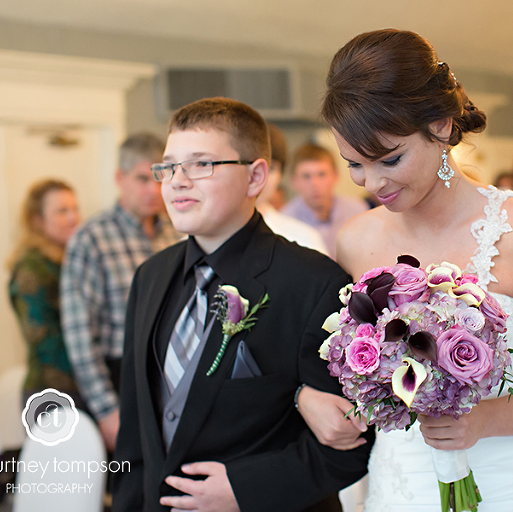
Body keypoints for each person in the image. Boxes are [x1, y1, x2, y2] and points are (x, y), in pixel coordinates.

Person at [298, 29, 513, 511]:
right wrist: (315, 398)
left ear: (441, 126)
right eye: (355, 165)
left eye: (390, 159)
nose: (374, 182)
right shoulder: (355, 240)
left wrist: (485, 418)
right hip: (398, 488)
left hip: (512, 489)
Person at [112, 97, 372, 512]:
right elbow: (136, 426)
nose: (177, 181)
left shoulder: (314, 284)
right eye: (168, 166)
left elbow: (353, 443)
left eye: (201, 164)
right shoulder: (151, 277)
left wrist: (246, 488)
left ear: (255, 177)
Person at [60, 133, 180, 451]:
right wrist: (106, 410)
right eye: (142, 179)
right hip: (119, 376)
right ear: (119, 178)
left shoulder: (175, 231)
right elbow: (80, 335)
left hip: (170, 374)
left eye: (159, 178)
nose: (153, 190)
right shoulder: (91, 238)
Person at [9, 179, 83, 407]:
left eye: (74, 209)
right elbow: (43, 340)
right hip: (51, 392)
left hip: (80, 388)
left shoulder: (71, 260)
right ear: (37, 220)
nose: (73, 218)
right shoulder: (32, 268)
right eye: (62, 211)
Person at [282, 143, 369, 257]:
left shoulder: (357, 210)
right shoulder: (285, 221)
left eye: (322, 174)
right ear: (293, 181)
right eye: (306, 176)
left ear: (335, 176)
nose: (314, 183)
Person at [256, 124, 329, 255]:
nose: (260, 177)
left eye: (271, 168)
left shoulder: (303, 238)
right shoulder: (212, 234)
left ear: (281, 175)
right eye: (252, 165)